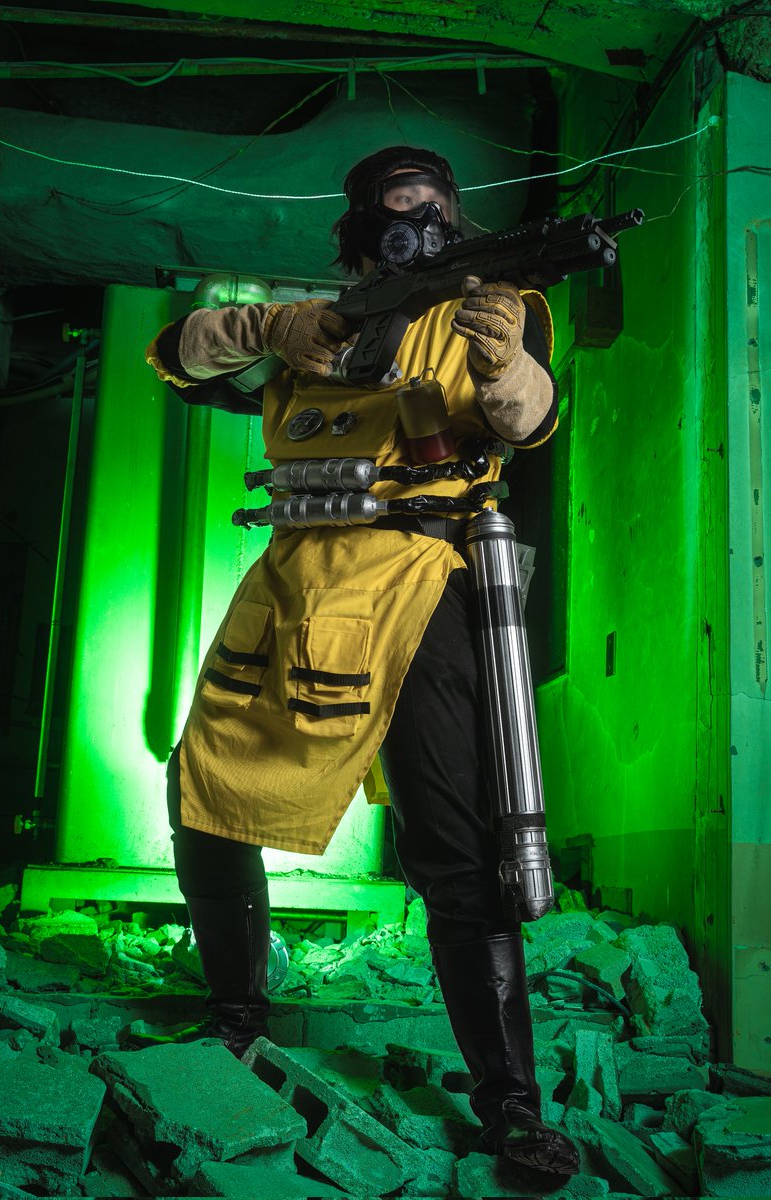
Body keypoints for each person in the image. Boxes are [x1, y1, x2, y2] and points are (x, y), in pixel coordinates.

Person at [146, 145, 579, 1175]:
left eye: (429, 209)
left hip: (421, 581)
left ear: (453, 218)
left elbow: (529, 421)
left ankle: (511, 1105)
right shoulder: (312, 328)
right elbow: (175, 358)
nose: (413, 225)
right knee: (204, 793)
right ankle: (235, 1021)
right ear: (358, 230)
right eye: (393, 211)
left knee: (455, 842)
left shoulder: (496, 310)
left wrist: (504, 363)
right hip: (292, 582)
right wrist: (268, 327)